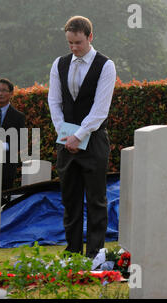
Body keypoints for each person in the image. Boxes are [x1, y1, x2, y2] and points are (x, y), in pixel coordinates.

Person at [48, 16, 116, 258]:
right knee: (69, 198)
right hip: (66, 141)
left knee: (96, 199)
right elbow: (54, 102)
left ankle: (95, 253)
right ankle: (73, 250)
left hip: (95, 140)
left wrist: (79, 135)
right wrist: (65, 135)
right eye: (69, 43)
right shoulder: (59, 64)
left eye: (78, 42)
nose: (74, 48)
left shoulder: (106, 65)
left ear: (90, 37)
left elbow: (100, 109)